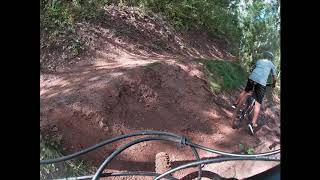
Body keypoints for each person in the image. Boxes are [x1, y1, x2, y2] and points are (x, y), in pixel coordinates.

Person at [232, 51, 277, 134]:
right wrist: (273, 85)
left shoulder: (259, 61)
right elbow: (274, 77)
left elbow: (252, 69)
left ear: (264, 56)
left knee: (245, 91)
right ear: (270, 58)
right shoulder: (271, 64)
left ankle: (235, 104)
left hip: (252, 78)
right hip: (261, 84)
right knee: (258, 104)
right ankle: (252, 124)